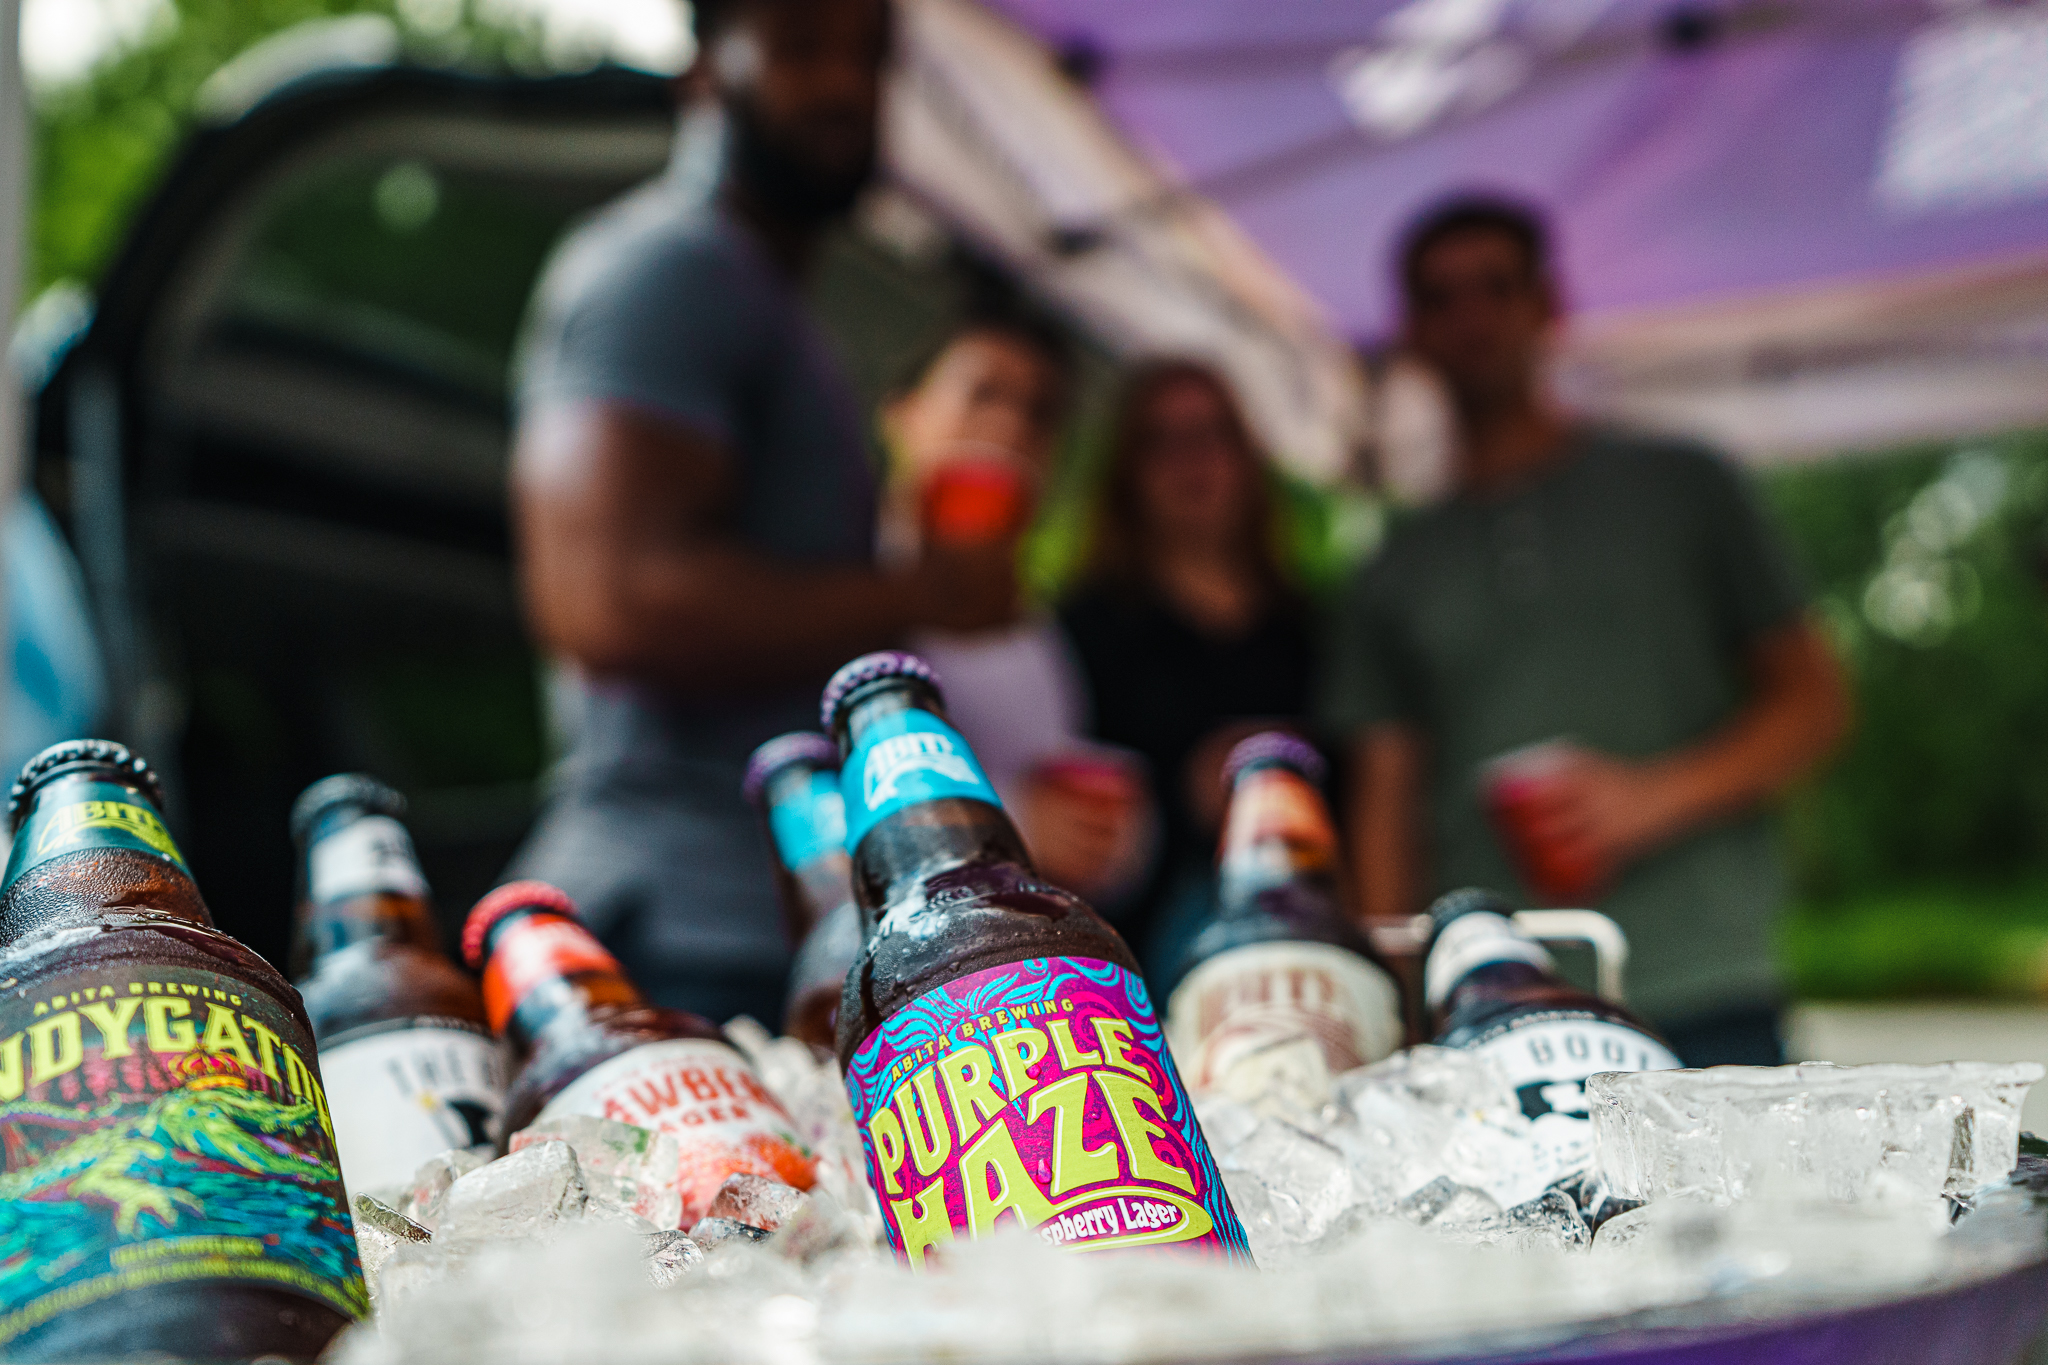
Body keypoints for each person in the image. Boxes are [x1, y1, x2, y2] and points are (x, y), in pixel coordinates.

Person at [506, 0, 1015, 1024]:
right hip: (679, 924)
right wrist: (923, 592)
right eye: (798, 46)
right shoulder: (670, 267)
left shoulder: (766, 296)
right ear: (702, 71)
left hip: (762, 913)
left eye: (869, 57)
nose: (843, 85)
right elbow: (606, 601)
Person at [1320, 197, 1851, 1066]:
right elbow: (1385, 800)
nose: (1472, 318)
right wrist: (1393, 1007)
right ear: (1410, 330)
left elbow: (1814, 703)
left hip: (1703, 977)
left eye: (1497, 286)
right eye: (1441, 297)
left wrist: (1649, 798)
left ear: (1549, 304)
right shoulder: (1391, 566)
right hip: (1484, 1009)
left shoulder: (1684, 486)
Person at [1060, 360, 1320, 976]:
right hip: (1136, 949)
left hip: (1302, 928)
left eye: (1210, 435)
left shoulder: (1309, 630)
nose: (1190, 461)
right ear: (1127, 472)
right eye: (1162, 442)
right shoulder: (1080, 631)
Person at [878, 314, 1147, 902]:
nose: (1010, 425)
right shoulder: (837, 581)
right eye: (983, 393)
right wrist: (1009, 819)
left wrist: (1112, 837)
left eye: (1041, 413)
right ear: (901, 413)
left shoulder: (1041, 629)